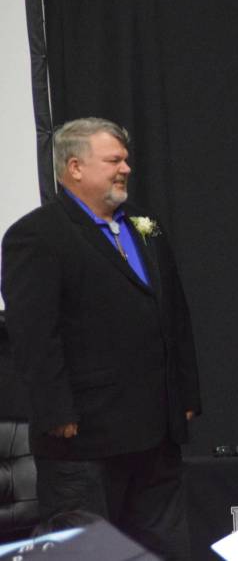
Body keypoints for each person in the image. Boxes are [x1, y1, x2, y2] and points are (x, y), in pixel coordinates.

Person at [1, 117, 201, 560]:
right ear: (74, 167)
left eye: (126, 159)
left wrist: (184, 391)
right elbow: (34, 334)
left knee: (165, 545)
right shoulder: (36, 236)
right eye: (114, 159)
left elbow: (174, 316)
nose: (126, 167)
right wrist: (56, 412)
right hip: (85, 439)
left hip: (155, 431)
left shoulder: (147, 227)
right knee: (93, 550)